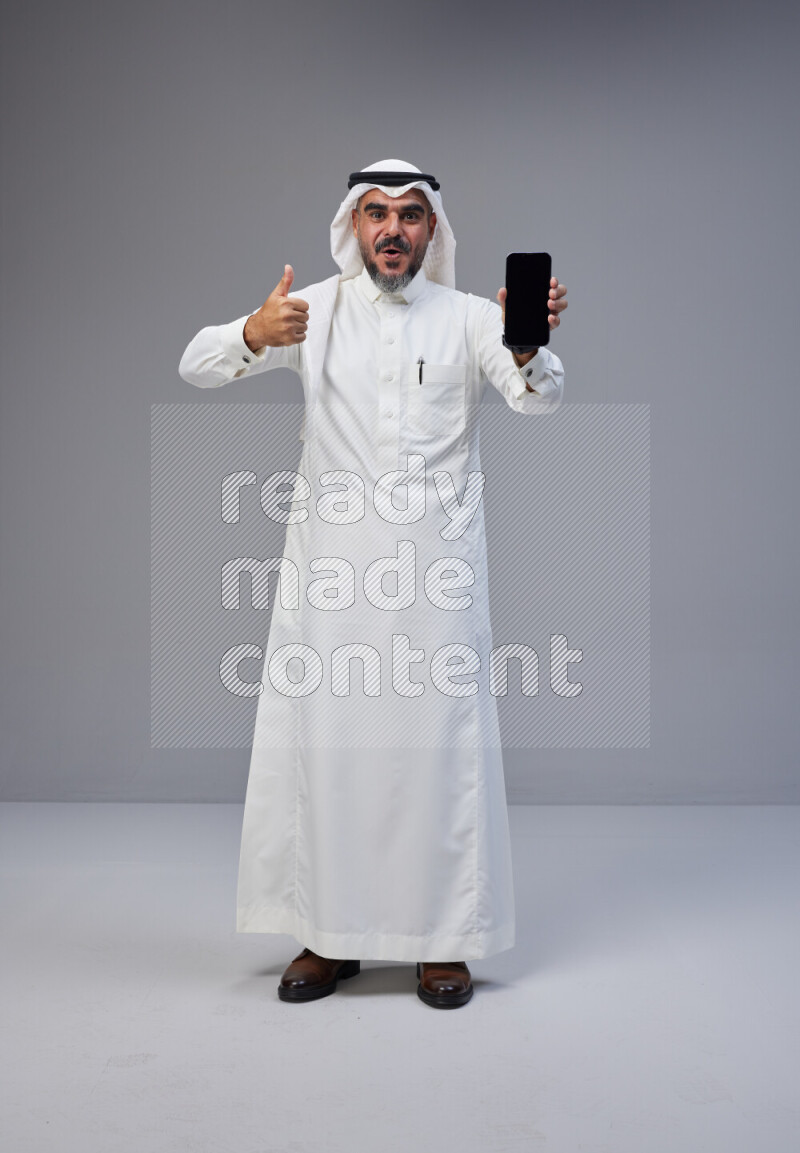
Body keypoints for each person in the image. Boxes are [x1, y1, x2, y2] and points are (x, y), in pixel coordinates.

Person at [179, 159, 568, 1009]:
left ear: (434, 231)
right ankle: (329, 935)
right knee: (333, 753)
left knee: (435, 757)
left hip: (435, 578)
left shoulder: (470, 319)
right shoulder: (307, 311)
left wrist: (527, 347)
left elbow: (536, 399)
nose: (393, 229)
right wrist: (252, 330)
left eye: (411, 215)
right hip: (333, 581)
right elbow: (195, 366)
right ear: (354, 225)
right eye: (377, 214)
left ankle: (442, 944)